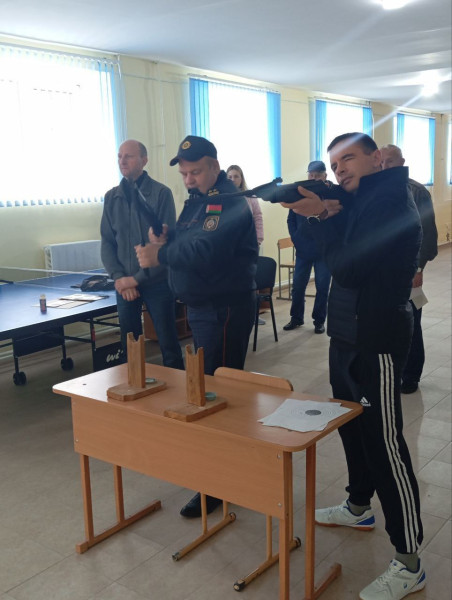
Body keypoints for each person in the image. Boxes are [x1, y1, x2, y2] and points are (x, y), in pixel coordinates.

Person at [283, 133, 425, 600]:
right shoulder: (358, 201)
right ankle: (359, 505)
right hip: (346, 334)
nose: (340, 169)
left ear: (377, 158)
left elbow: (346, 267)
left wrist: (321, 216)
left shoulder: (391, 204)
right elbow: (324, 251)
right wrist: (318, 210)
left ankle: (409, 561)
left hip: (376, 339)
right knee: (351, 428)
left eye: (349, 159)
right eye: (334, 163)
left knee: (384, 444)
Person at [136, 135, 258, 518]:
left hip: (223, 309)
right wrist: (168, 236)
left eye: (196, 171)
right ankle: (219, 473)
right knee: (208, 392)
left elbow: (206, 249)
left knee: (217, 395)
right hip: (203, 307)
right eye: (185, 173)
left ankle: (219, 485)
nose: (189, 179)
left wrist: (161, 254)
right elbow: (192, 237)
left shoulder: (227, 201)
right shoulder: (197, 200)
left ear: (215, 167)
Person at [100, 139, 184, 370]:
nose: (122, 161)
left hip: (157, 282)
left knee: (168, 345)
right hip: (125, 285)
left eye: (128, 156)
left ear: (144, 160)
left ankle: (179, 386)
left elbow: (165, 245)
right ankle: (133, 386)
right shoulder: (112, 197)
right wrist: (120, 278)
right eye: (119, 156)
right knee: (130, 347)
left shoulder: (161, 194)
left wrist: (135, 279)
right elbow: (107, 242)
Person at [380, 144, 438, 394]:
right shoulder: (373, 191)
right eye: (381, 162)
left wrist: (418, 268)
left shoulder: (416, 191)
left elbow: (428, 235)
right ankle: (392, 370)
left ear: (401, 163)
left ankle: (411, 374)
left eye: (390, 162)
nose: (384, 167)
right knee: (387, 325)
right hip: (382, 272)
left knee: (411, 323)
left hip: (408, 270)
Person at [283, 161, 331, 334]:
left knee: (322, 287)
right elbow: (291, 219)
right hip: (303, 250)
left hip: (324, 251)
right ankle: (296, 318)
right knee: (298, 287)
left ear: (325, 176)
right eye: (311, 174)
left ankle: (319, 321)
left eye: (318, 175)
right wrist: (295, 238)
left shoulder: (331, 193)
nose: (314, 178)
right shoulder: (299, 193)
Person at [226, 164, 266, 325]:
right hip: (230, 248)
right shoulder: (223, 196)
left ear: (241, 178)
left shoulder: (250, 196)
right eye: (229, 177)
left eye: (236, 176)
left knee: (250, 281)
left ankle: (253, 314)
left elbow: (258, 217)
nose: (233, 179)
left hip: (250, 246)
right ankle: (235, 315)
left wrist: (258, 239)